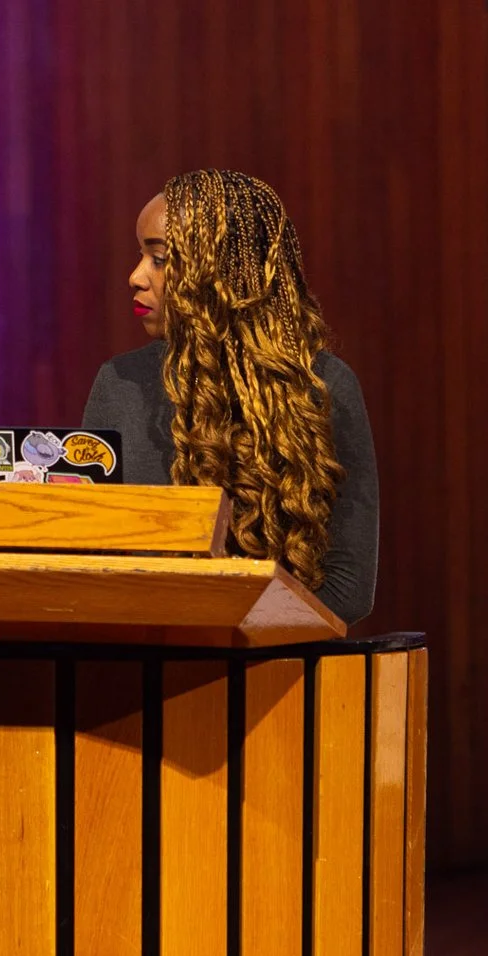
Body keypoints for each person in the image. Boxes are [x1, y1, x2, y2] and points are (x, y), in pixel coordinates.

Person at [83, 169, 378, 625]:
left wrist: (218, 635)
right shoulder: (119, 383)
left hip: (269, 663)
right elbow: (91, 562)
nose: (135, 277)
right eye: (141, 256)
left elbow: (347, 588)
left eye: (159, 259)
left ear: (221, 272)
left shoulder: (323, 387)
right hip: (142, 658)